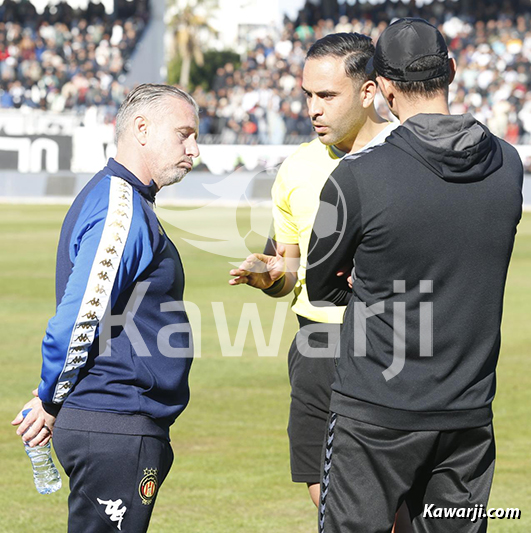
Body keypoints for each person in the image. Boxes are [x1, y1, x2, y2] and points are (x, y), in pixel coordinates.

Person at [306, 18, 523, 532]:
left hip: (374, 416)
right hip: (466, 417)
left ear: (380, 87)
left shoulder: (357, 176)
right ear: (451, 68)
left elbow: (320, 284)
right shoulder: (509, 164)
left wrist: (364, 282)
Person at [12, 83, 200, 533]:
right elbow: (81, 315)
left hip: (115, 421)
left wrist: (52, 397)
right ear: (141, 129)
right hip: (114, 420)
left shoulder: (123, 200)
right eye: (184, 134)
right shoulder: (122, 207)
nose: (195, 147)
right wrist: (50, 396)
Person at [229, 33, 397, 507]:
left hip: (387, 347)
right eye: (308, 95)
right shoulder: (296, 168)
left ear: (368, 93)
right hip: (315, 346)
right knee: (326, 496)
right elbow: (288, 274)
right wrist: (266, 275)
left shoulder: (407, 157)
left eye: (327, 96)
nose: (313, 109)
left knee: (390, 499)